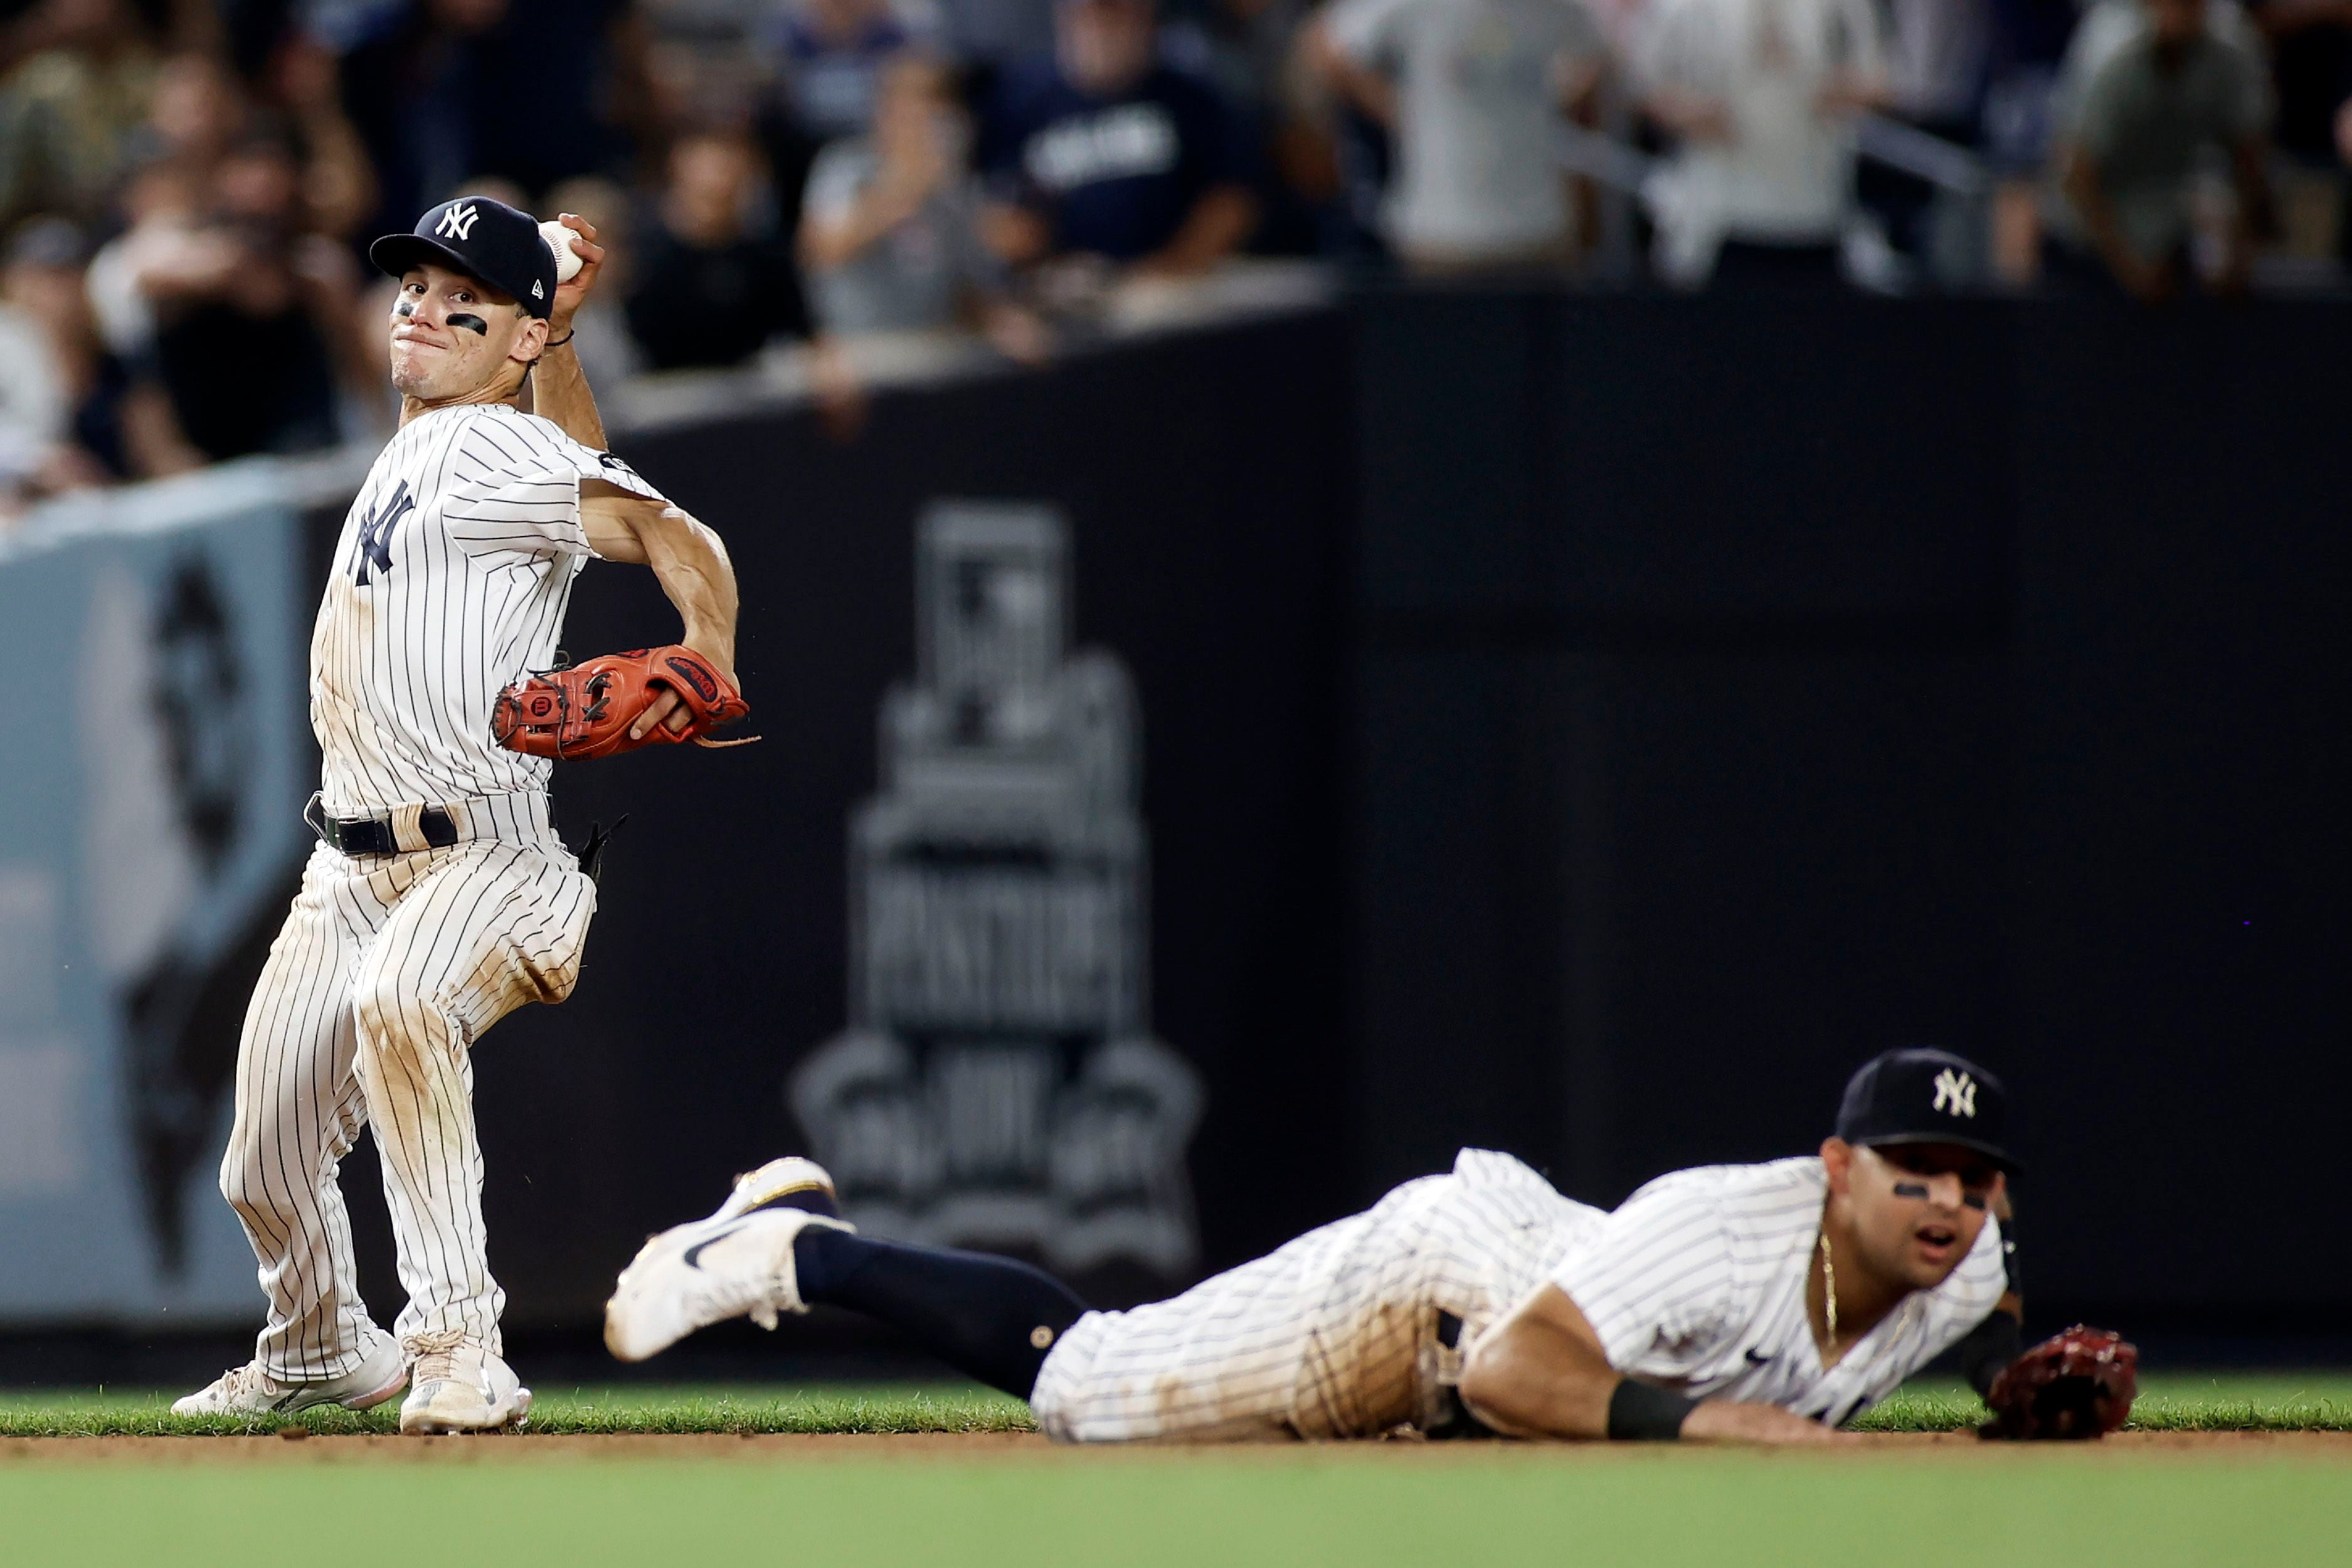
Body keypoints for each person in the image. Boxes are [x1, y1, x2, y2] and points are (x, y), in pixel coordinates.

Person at [174, 193, 744, 1435]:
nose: (425, 312)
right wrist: (560, 338)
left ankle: (460, 1348)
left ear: (517, 342)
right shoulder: (427, 434)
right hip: (347, 868)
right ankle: (320, 1344)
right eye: (414, 291)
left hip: (487, 853)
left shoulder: (490, 446)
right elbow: (587, 465)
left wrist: (708, 642)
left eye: (463, 303)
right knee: (262, 1166)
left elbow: (666, 527)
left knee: (405, 999)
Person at [605, 1047, 2029, 1444]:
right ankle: (799, 1247)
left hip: (1552, 1294)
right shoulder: (1721, 1234)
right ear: (1836, 1167)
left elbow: (1991, 1317)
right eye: (1914, 1171)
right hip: (1435, 1295)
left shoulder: (1960, 1263)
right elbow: (1513, 1372)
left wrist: (2023, 1390)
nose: (1944, 1205)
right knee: (1088, 1389)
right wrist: (1713, 1426)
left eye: (1970, 1182)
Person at [1309, 0, 1608, 275]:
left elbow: (1596, 53)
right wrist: (1397, 110)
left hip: (1539, 227)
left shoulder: (1554, 8)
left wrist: (1560, 101)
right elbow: (1328, 44)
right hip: (1441, 233)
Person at [979, 0, 1260, 277]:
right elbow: (998, 214)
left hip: (1171, 291)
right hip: (1066, 289)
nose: (1102, 28)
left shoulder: (1191, 98)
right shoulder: (1020, 101)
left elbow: (1234, 198)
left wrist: (1173, 268)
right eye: (1091, 14)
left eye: (1118, 14)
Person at [1633, 0, 1890, 288]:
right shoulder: (1685, 7)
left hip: (1816, 211)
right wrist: (1693, 113)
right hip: (1720, 215)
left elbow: (1879, 78)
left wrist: (1833, 93)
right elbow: (1647, 84)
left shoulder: (1841, 7)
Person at [2045, 0, 2272, 299]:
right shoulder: (2111, 48)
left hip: (2167, 231)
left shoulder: (2229, 49)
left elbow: (2249, 160)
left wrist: (2241, 252)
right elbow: (2078, 175)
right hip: (2090, 238)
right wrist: (2128, 265)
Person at [625, 128, 811, 369]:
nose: (719, 180)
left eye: (728, 168)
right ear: (680, 170)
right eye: (709, 168)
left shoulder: (764, 254)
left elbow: (801, 330)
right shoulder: (643, 256)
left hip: (752, 393)